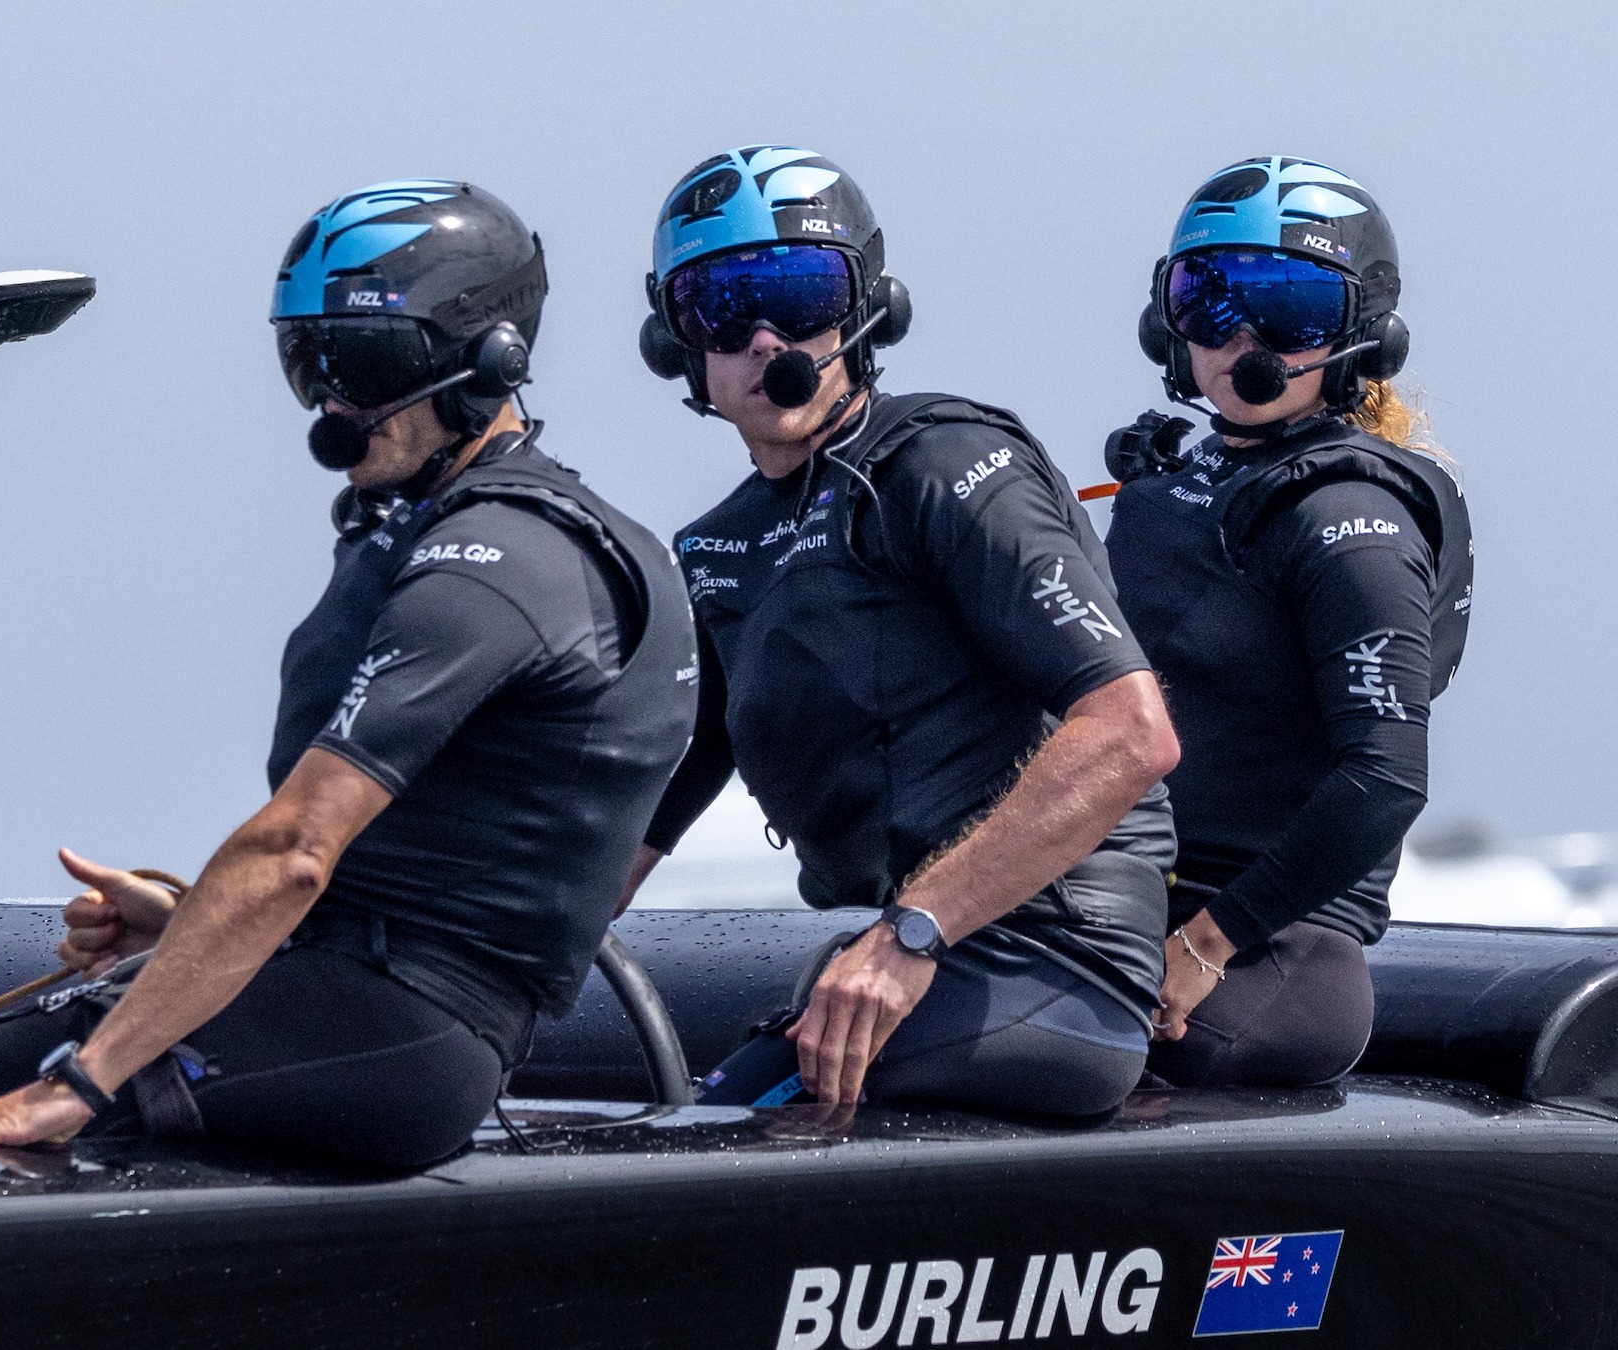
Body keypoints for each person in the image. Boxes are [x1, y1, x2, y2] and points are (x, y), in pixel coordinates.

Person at [0, 180, 697, 1167]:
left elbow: (296, 849)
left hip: (399, 1038)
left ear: (486, 361)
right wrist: (188, 936)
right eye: (311, 361)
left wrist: (84, 1079)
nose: (335, 402)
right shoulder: (492, 538)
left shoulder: (495, 568)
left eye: (366, 362)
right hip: (370, 1014)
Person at [628, 146, 1180, 1118]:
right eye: (720, 306)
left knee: (724, 1117)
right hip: (899, 952)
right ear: (676, 340)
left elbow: (1131, 734)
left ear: (869, 310)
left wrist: (913, 933)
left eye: (801, 295)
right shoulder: (718, 546)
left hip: (1054, 958)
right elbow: (654, 801)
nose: (763, 338)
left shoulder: (944, 466)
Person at [1103, 158, 1471, 1087]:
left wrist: (1207, 943)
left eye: (1293, 308)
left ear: (1362, 335)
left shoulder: (1352, 523)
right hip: (1127, 905)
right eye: (1211, 301)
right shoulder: (1176, 490)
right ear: (1167, 321)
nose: (1245, 339)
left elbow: (1385, 781)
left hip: (1264, 954)